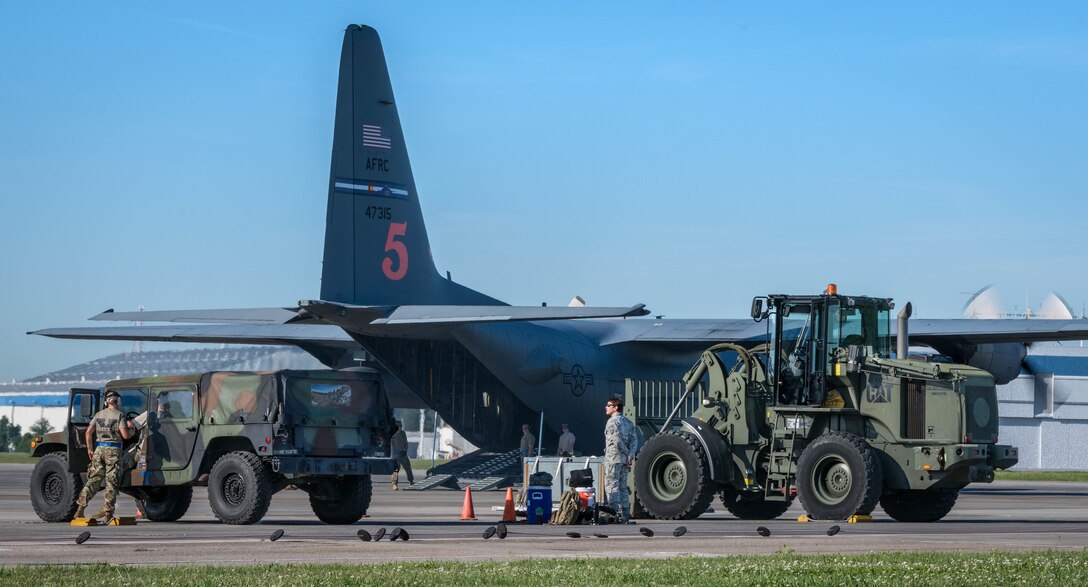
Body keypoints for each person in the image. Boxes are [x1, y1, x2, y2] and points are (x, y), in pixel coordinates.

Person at [74, 390, 134, 520]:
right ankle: (108, 512)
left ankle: (80, 508)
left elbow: (88, 432)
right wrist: (132, 429)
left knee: (93, 480)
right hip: (113, 450)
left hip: (99, 450)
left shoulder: (99, 414)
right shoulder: (119, 415)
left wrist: (90, 449)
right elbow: (125, 435)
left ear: (106, 402)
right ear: (117, 401)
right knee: (111, 481)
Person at [603, 397, 636, 524]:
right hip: (623, 461)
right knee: (622, 487)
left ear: (616, 407)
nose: (606, 407)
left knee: (612, 486)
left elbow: (616, 440)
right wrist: (630, 455)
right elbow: (634, 440)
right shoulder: (628, 422)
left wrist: (627, 453)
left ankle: (613, 514)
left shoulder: (612, 422)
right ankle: (625, 515)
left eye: (608, 405)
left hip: (613, 459)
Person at [390, 421, 414, 490]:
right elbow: (391, 446)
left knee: (408, 468)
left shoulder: (403, 433)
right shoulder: (392, 435)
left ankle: (411, 481)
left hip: (403, 455)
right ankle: (395, 484)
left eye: (401, 426)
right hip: (396, 456)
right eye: (398, 426)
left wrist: (405, 450)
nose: (400, 428)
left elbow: (406, 443)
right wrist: (394, 454)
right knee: (395, 471)